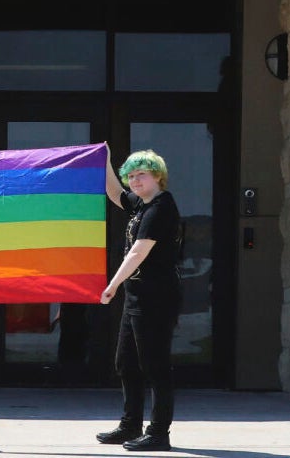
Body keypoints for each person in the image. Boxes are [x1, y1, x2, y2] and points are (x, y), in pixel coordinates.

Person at [97, 147, 182, 452]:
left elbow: (139, 251)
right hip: (137, 297)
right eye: (131, 175)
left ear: (157, 176)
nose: (134, 181)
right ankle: (130, 424)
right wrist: (104, 158)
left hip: (156, 297)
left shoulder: (161, 207)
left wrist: (113, 284)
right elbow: (113, 192)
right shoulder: (141, 205)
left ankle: (159, 433)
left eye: (140, 174)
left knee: (155, 366)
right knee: (126, 363)